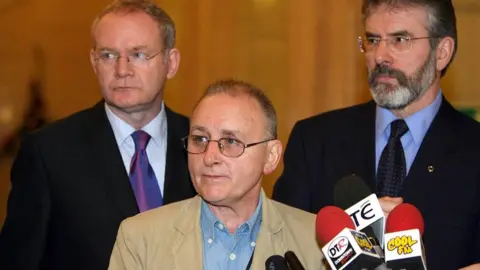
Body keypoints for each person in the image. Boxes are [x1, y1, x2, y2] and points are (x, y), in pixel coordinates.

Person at [273, 0, 480, 269]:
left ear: (442, 52)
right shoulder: (314, 141)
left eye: (400, 39)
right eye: (373, 39)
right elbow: (280, 251)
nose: (380, 55)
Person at [0, 1, 196, 269]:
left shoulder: (203, 145)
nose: (122, 70)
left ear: (170, 63)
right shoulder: (49, 152)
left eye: (138, 55)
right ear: (94, 63)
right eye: (108, 55)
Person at [108, 79, 325, 270]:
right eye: (200, 139)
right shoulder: (140, 238)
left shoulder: (318, 241)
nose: (209, 157)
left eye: (231, 142)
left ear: (271, 156)